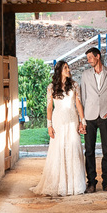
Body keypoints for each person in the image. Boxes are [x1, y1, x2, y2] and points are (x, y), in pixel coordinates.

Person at [31, 60, 87, 196]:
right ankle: (58, 184)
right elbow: (49, 107)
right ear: (59, 71)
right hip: (58, 120)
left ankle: (74, 185)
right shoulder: (51, 87)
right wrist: (49, 126)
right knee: (58, 149)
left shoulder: (74, 85)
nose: (68, 70)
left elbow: (78, 104)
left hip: (72, 119)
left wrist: (82, 121)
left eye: (68, 67)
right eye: (65, 68)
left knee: (73, 148)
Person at [80, 47, 107, 192]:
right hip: (90, 116)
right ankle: (91, 183)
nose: (88, 61)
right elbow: (83, 97)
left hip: (106, 115)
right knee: (89, 151)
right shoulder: (85, 75)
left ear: (97, 56)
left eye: (90, 58)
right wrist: (82, 119)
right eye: (88, 59)